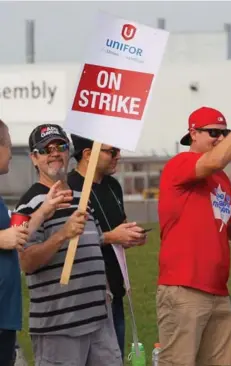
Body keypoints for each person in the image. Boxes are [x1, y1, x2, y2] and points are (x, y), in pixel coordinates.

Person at [157, 90, 231, 365]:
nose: (220, 138)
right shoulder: (180, 164)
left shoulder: (221, 179)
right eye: (213, 132)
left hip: (218, 292)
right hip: (184, 287)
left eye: (224, 132)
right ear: (193, 133)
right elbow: (217, 159)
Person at [14, 124, 122, 366]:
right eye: (45, 149)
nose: (54, 153)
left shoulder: (81, 198)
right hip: (59, 328)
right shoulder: (28, 205)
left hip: (99, 323)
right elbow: (25, 262)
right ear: (34, 157)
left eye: (60, 146)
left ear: (67, 151)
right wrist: (62, 234)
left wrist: (105, 290)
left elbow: (91, 247)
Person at [0, 120, 73, 366]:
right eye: (8, 146)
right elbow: (13, 245)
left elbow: (17, 237)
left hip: (6, 316)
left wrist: (43, 211)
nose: (11, 154)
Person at [68, 134, 147, 359]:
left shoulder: (113, 185)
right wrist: (111, 237)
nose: (118, 156)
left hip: (114, 291)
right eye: (112, 151)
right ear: (87, 154)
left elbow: (117, 227)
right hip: (84, 297)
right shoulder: (69, 186)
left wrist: (131, 235)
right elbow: (67, 241)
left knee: (116, 358)